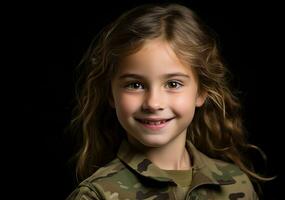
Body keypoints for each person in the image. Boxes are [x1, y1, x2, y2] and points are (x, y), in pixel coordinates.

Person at [66, 3, 271, 199]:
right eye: (135, 85)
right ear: (111, 94)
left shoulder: (236, 184)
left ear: (201, 92)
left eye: (173, 84)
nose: (154, 103)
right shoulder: (97, 195)